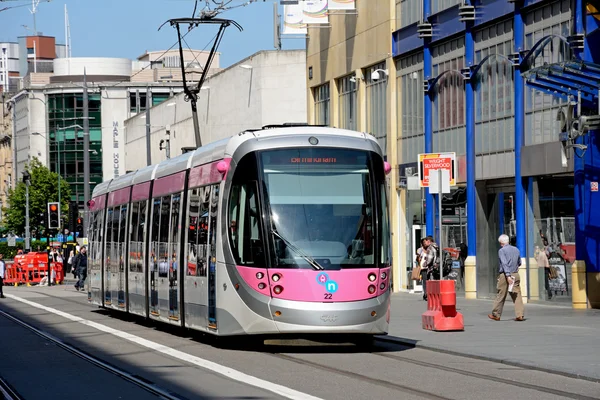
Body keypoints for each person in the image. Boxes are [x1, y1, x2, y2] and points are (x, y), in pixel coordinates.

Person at [489, 234, 525, 321]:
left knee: (501, 294)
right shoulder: (516, 249)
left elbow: (504, 263)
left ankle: (496, 314)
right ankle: (520, 314)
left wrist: (508, 275)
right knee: (516, 294)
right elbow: (519, 262)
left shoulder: (502, 251)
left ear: (501, 243)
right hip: (515, 273)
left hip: (505, 275)